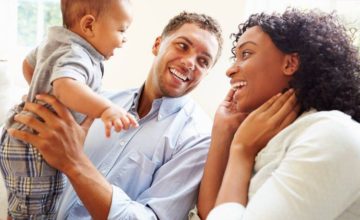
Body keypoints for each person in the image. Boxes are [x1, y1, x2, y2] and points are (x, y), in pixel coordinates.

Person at [6, 11, 224, 219]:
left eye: (203, 61)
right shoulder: (99, 100)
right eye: (182, 46)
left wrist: (74, 161)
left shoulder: (198, 140)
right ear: (157, 44)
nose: (189, 63)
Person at [193, 8, 360, 220]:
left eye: (246, 54)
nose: (230, 70)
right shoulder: (269, 140)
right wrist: (223, 131)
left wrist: (241, 152)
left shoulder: (331, 135)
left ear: (290, 63)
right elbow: (211, 214)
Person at [0, 0, 136, 218]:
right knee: (37, 213)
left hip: (22, 138)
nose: (123, 40)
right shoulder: (78, 54)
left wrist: (39, 92)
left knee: (23, 208)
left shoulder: (55, 40)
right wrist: (105, 109)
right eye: (121, 30)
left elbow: (28, 65)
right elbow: (65, 87)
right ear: (89, 26)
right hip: (35, 147)